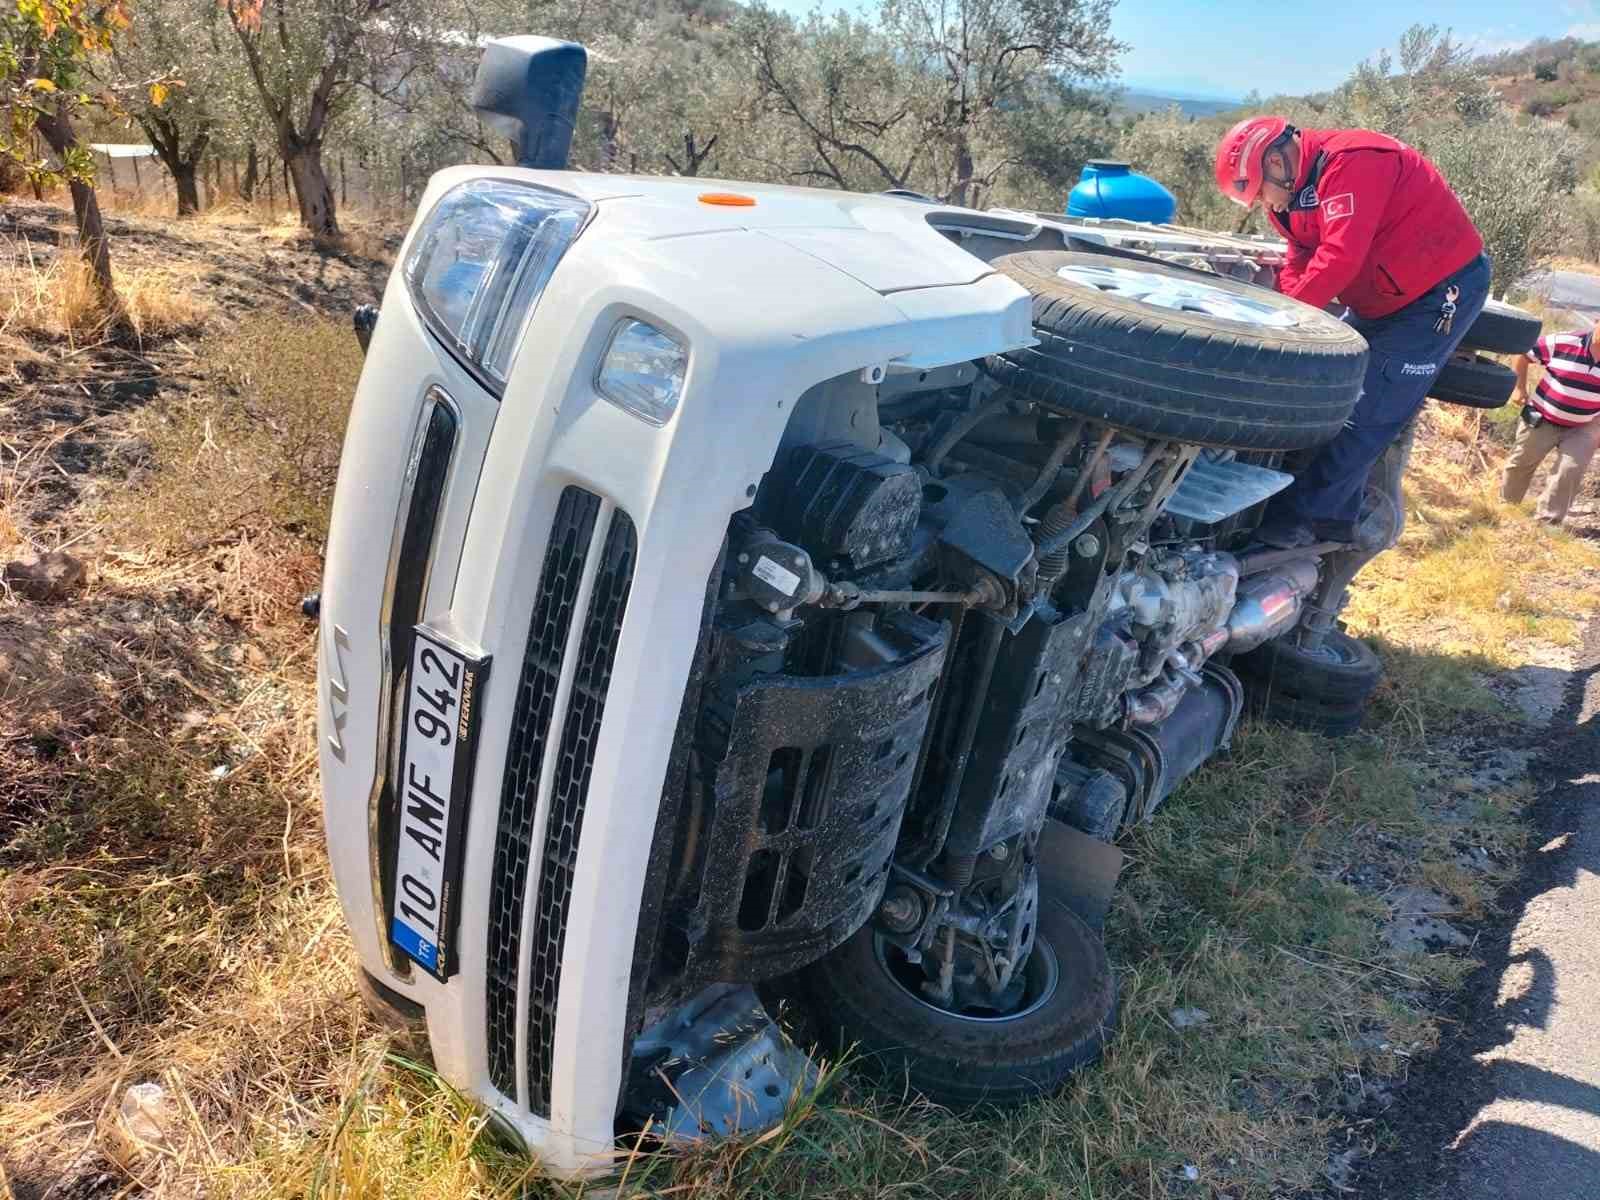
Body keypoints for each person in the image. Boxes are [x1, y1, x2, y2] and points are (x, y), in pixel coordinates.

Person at [1213, 117, 1491, 548]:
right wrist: (1280, 311)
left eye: (1260, 192)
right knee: (1327, 388)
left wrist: (1282, 325)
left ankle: (1308, 523)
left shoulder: (1355, 162)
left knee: (1371, 407)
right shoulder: (1287, 195)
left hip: (1438, 292)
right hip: (1381, 296)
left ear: (1275, 161)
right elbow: (1299, 256)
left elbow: (1339, 257)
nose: (1264, 205)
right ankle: (1314, 504)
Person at [1500, 318, 1600, 525]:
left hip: (1584, 425)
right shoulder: (1565, 341)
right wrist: (1519, 388)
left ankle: (1547, 523)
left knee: (1569, 471)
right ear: (1596, 322)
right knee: (1521, 464)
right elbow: (1525, 354)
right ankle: (1506, 509)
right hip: (1543, 417)